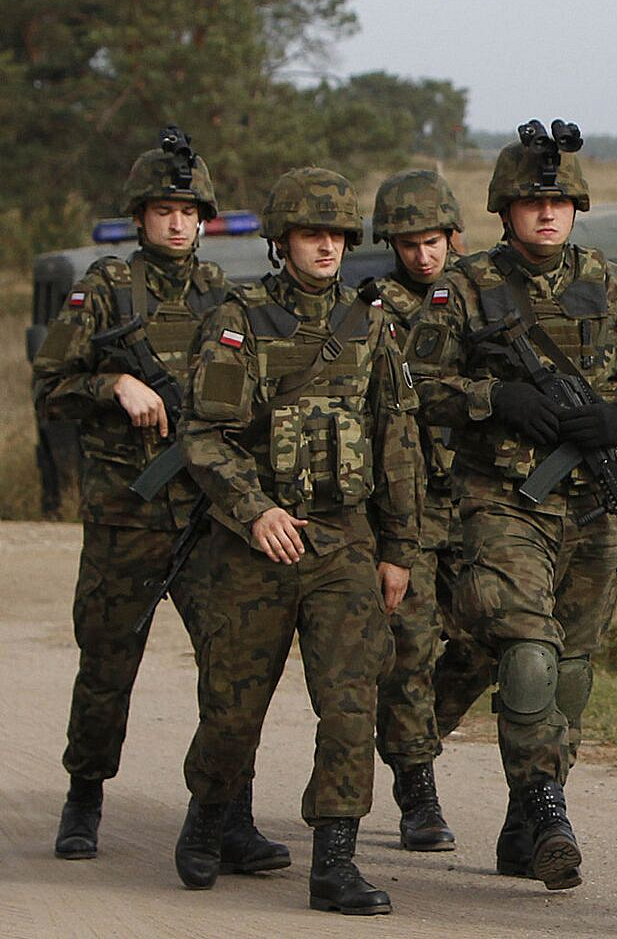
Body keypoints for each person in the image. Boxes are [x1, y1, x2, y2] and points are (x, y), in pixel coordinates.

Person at [408, 120, 617, 891]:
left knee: (570, 674)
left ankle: (520, 821)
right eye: (532, 201)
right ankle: (548, 807)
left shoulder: (615, 284)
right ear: (504, 209)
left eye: (560, 200)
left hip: (594, 507)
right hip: (502, 502)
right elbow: (415, 387)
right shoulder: (463, 288)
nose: (547, 213)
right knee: (528, 652)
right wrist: (495, 398)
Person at [33, 130, 285, 873]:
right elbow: (50, 387)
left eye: (188, 211)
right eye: (163, 210)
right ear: (140, 216)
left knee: (234, 667)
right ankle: (84, 797)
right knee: (108, 662)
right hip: (126, 515)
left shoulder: (226, 294)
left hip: (207, 518)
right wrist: (113, 385)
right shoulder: (107, 287)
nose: (177, 223)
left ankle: (226, 812)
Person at [177, 167, 421, 915]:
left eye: (337, 236)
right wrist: (255, 512)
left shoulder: (371, 325)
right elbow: (205, 436)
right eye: (312, 234)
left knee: (349, 703)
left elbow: (397, 440)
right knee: (231, 709)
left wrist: (399, 550)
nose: (327, 247)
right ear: (282, 241)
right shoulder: (238, 320)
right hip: (254, 548)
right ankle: (211, 816)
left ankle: (335, 860)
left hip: (341, 542)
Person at [361, 168, 473, 852]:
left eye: (432, 241)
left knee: (490, 639)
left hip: (483, 501)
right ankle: (417, 790)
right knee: (410, 650)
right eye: (408, 245)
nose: (422, 256)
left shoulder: (479, 297)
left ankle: (413, 736)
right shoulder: (374, 314)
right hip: (406, 504)